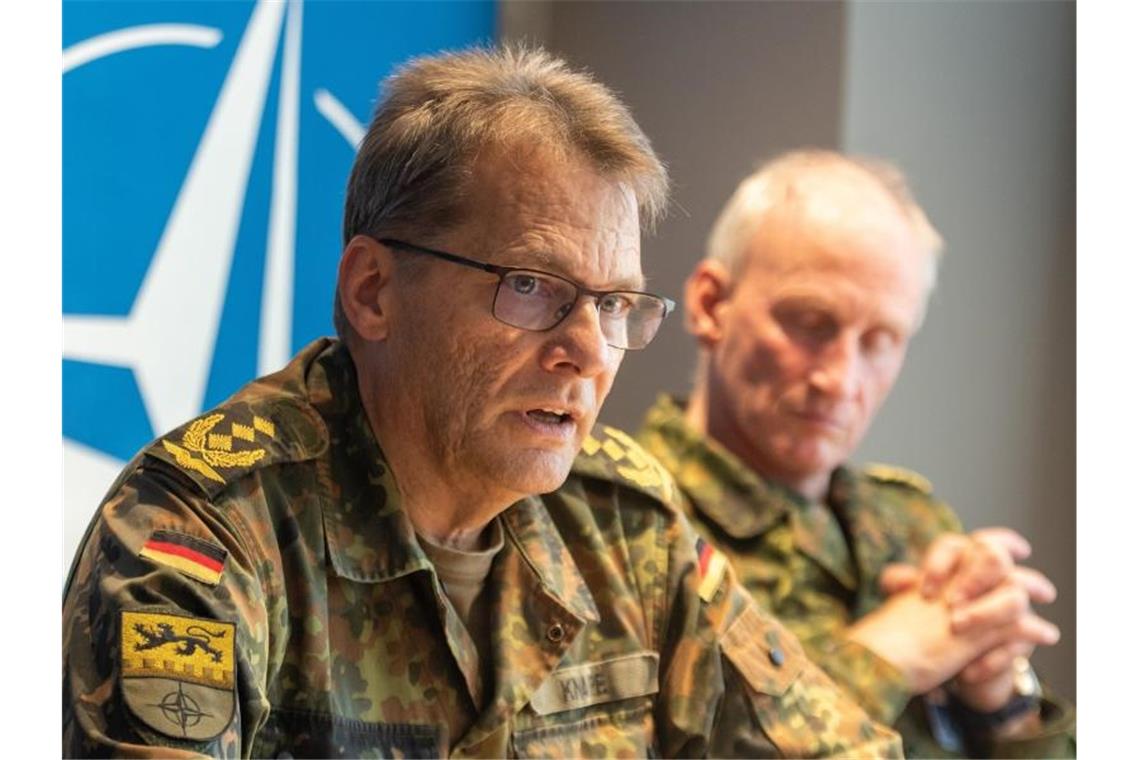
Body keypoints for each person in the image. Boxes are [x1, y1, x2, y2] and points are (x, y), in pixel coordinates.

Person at [62, 50, 901, 757]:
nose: (586, 351)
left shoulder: (624, 523)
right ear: (373, 291)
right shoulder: (204, 537)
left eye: (614, 305)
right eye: (531, 287)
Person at [636, 149, 1076, 757]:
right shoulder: (619, 521)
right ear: (712, 305)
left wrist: (1000, 699)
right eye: (811, 324)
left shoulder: (911, 522)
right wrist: (884, 658)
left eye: (880, 341)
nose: (842, 379)